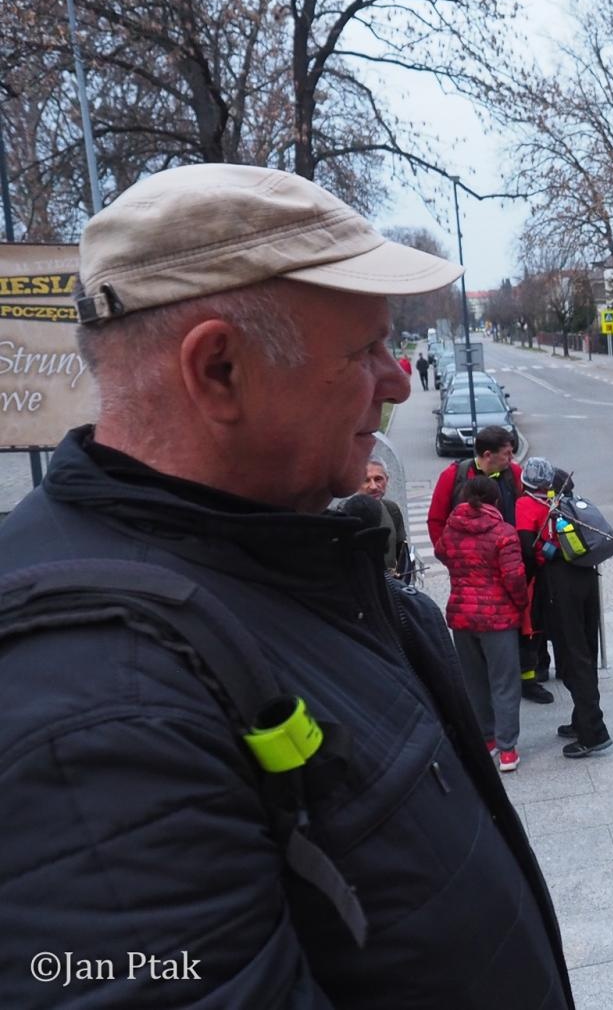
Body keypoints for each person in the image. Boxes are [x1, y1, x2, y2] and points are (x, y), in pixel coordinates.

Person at [0, 163, 573, 1008]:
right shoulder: (92, 713)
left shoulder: (277, 553)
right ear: (220, 370)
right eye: (367, 349)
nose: (399, 380)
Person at [437, 475, 531, 772]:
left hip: (463, 616)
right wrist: (521, 604)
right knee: (504, 683)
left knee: (474, 681)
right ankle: (507, 750)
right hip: (498, 618)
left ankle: (486, 739)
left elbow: (442, 553)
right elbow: (514, 576)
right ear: (496, 500)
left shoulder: (452, 528)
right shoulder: (504, 532)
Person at [540, 468, 612, 758]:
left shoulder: (557, 515)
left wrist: (544, 550)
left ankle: (593, 733)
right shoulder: (578, 506)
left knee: (574, 658)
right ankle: (580, 719)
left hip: (565, 588)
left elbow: (551, 551)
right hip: (587, 580)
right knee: (586, 653)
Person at [427, 426, 523, 548]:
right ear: (488, 455)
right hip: (466, 561)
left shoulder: (515, 473)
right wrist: (448, 554)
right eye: (507, 453)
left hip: (507, 557)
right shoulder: (453, 476)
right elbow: (436, 520)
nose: (512, 458)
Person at [514, 457, 560, 704]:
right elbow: (527, 545)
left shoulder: (531, 502)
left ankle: (537, 670)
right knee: (530, 630)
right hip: (536, 576)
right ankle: (528, 681)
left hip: (538, 574)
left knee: (535, 628)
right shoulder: (536, 503)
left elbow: (528, 544)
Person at [360, 456, 413, 581]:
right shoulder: (345, 514)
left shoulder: (392, 509)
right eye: (366, 480)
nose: (373, 486)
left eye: (378, 479)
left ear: (387, 480)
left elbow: (402, 556)